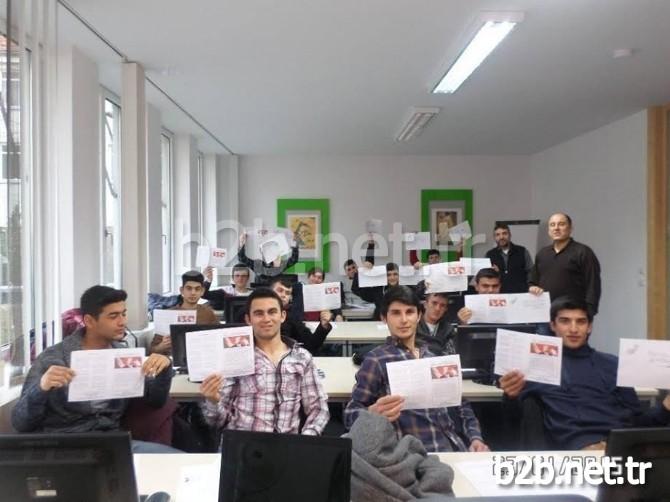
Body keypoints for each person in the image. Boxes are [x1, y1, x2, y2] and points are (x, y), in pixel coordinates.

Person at [11, 285, 177, 453]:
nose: (123, 322)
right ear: (89, 321)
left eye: (123, 314)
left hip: (112, 443)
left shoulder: (122, 354)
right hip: (64, 445)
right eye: (113, 316)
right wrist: (41, 388)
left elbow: (156, 401)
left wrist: (164, 369)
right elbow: (21, 423)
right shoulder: (53, 358)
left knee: (176, 461)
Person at [499, 297, 670, 450]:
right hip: (577, 455)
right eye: (565, 321)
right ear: (552, 326)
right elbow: (513, 424)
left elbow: (638, 422)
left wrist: (665, 408)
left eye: (580, 322)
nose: (573, 329)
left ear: (589, 327)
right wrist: (510, 396)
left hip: (623, 448)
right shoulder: (539, 365)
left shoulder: (614, 364)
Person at [344, 286, 489, 453]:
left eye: (410, 312)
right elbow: (350, 413)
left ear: (419, 315)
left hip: (453, 447)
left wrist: (475, 438)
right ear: (384, 318)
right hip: (411, 455)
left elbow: (461, 405)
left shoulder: (434, 357)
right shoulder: (377, 360)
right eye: (396, 313)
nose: (404, 320)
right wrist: (371, 413)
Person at [199, 288, 329, 437]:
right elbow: (217, 421)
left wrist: (306, 440)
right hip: (243, 443)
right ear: (248, 319)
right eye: (259, 313)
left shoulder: (302, 357)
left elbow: (319, 409)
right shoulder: (234, 357)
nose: (266, 319)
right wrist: (213, 401)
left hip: (288, 445)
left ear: (283, 316)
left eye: (272, 312)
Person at [529, 213, 601, 317]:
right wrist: (532, 287)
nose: (556, 228)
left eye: (561, 224)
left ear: (570, 228)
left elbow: (593, 284)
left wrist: (589, 312)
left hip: (573, 314)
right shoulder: (542, 254)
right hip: (545, 314)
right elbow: (533, 281)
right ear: (549, 230)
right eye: (552, 225)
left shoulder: (583, 252)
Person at [150, 271, 219, 355]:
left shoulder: (208, 313)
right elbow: (152, 350)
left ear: (202, 291)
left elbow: (219, 338)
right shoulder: (168, 314)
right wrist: (162, 346)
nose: (193, 293)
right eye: (189, 288)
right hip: (174, 359)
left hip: (201, 356)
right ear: (182, 290)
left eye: (197, 289)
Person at [270, 277, 333, 355]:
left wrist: (323, 325)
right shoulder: (257, 314)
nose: (283, 295)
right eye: (280, 290)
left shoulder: (292, 317)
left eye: (287, 293)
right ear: (269, 292)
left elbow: (311, 345)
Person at [485, 223, 533, 293]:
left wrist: (530, 286)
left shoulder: (522, 251)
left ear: (510, 235)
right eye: (498, 235)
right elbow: (486, 276)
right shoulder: (489, 254)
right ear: (494, 237)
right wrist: (493, 272)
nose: (501, 237)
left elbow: (531, 271)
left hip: (521, 293)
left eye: (504, 233)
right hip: (499, 295)